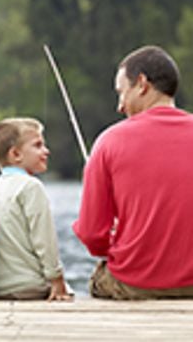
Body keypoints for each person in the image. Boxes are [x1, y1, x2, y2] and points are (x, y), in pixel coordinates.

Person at [73, 45, 193, 300]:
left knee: (98, 279)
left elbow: (92, 234)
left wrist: (116, 241)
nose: (120, 106)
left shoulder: (109, 141)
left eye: (121, 92)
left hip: (135, 285)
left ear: (141, 84)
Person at [0, 117, 71, 300]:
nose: (46, 151)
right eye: (38, 145)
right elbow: (44, 239)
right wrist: (57, 279)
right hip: (28, 286)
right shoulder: (31, 187)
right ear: (16, 154)